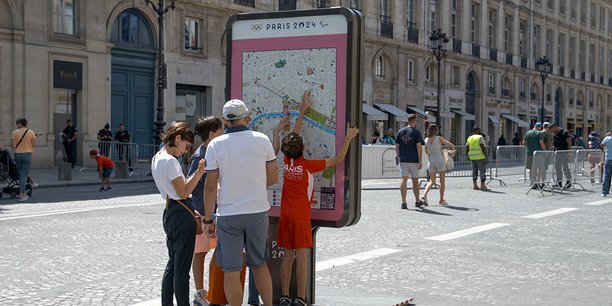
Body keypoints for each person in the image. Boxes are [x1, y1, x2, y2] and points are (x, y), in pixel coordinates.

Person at [272, 92, 358, 306]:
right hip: (301, 217)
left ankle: (284, 296)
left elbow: (295, 135)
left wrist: (302, 112)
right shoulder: (308, 166)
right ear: (303, 149)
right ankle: (300, 298)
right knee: (301, 258)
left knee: (287, 256)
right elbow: (338, 159)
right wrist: (347, 138)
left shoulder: (287, 162)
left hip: (285, 216)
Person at [203, 99, 278, 306]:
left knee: (231, 270)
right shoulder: (262, 140)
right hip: (256, 212)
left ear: (225, 121)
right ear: (247, 117)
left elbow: (210, 187)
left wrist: (208, 219)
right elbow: (273, 178)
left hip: (229, 214)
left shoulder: (215, 145)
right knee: (259, 265)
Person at [151, 122, 206, 306]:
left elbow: (176, 192)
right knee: (181, 269)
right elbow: (183, 192)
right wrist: (199, 173)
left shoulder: (157, 157)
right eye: (186, 146)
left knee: (173, 265)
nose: (185, 151)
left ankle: (167, 303)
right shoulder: (170, 161)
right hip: (181, 213)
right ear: (177, 139)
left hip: (170, 211)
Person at [188, 116, 224, 306]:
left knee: (219, 251)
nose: (224, 132)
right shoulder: (199, 156)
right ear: (212, 133)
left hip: (217, 211)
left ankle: (215, 288)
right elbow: (190, 185)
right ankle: (200, 292)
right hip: (203, 213)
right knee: (200, 253)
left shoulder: (215, 151)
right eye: (221, 130)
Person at [421, 124, 455, 205]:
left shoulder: (426, 140)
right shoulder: (438, 138)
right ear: (436, 130)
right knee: (442, 181)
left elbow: (427, 152)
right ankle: (441, 199)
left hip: (431, 161)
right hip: (440, 160)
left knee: (432, 181)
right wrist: (453, 151)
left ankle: (424, 195)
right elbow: (451, 145)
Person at [395, 114, 424, 209]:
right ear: (414, 121)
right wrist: (420, 160)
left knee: (404, 179)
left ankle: (403, 202)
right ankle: (417, 201)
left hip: (403, 160)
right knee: (415, 180)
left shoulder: (400, 131)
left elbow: (397, 146)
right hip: (413, 160)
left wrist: (399, 156)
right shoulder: (416, 132)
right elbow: (419, 147)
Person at [11, 118, 37, 202]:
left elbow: (13, 146)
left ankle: (21, 192)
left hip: (17, 154)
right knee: (24, 175)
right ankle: (22, 194)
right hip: (27, 154)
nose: (16, 125)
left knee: (21, 174)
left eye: (17, 123)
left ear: (20, 123)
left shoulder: (14, 132)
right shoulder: (31, 132)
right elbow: (33, 145)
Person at [466, 125, 489, 191]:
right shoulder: (480, 137)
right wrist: (486, 157)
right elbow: (483, 147)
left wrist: (468, 155)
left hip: (472, 157)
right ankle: (483, 186)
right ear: (478, 130)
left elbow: (467, 147)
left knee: (474, 172)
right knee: (482, 171)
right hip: (480, 157)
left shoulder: (469, 138)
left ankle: (475, 185)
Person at [523, 122, 546, 187]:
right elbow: (541, 143)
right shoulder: (539, 133)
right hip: (538, 154)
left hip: (529, 153)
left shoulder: (527, 133)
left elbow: (523, 142)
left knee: (531, 168)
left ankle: (532, 182)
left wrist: (530, 146)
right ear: (539, 127)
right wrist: (545, 151)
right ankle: (537, 181)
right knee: (541, 167)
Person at [552, 124, 573, 188]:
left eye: (552, 129)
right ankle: (559, 182)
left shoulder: (565, 132)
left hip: (564, 152)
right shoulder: (556, 133)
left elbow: (569, 143)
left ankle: (569, 182)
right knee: (557, 168)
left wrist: (569, 152)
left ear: (555, 127)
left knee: (565, 167)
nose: (552, 131)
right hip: (557, 153)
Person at [600, 132, 612, 197]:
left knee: (607, 176)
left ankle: (604, 192)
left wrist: (606, 148)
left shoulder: (607, 138)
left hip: (608, 159)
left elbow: (602, 145)